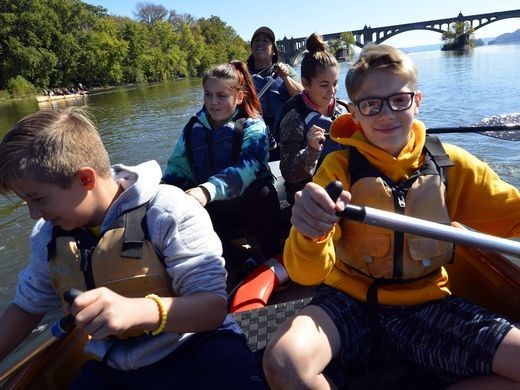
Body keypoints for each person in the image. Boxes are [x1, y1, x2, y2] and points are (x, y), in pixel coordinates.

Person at [263, 44, 520, 389]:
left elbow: (513, 214)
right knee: (284, 362)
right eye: (371, 104)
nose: (386, 115)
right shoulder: (337, 170)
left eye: (399, 100)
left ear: (416, 101)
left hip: (426, 305)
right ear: (354, 113)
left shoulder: (452, 166)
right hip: (349, 302)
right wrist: (309, 233)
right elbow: (306, 273)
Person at [0, 108, 266, 388]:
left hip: (198, 348)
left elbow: (212, 309)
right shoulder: (47, 236)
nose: (33, 213)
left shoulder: (167, 211)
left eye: (38, 199)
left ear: (85, 179)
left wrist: (136, 312)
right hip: (117, 368)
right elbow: (26, 308)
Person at [162, 60, 281, 289]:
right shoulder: (192, 129)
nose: (213, 103)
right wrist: (162, 192)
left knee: (263, 192)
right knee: (178, 209)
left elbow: (251, 164)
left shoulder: (253, 126)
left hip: (247, 204)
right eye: (208, 95)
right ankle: (239, 261)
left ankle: (272, 256)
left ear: (238, 97)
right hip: (216, 208)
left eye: (221, 96)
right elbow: (177, 170)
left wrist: (206, 190)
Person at [277, 33, 349, 204]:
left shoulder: (344, 110)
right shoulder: (294, 119)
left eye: (335, 83)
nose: (332, 91)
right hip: (310, 192)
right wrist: (311, 150)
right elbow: (289, 173)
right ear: (306, 83)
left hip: (344, 186)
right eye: (324, 85)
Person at [247, 26, 304, 159]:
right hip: (254, 135)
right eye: (256, 40)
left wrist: (285, 77)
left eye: (266, 40)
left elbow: (303, 97)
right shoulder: (241, 74)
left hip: (285, 135)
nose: (260, 43)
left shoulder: (287, 70)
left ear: (273, 50)